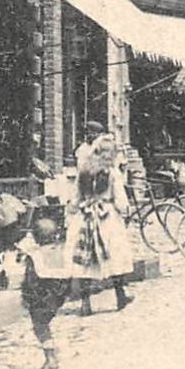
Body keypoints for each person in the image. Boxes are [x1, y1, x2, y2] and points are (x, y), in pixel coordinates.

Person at [66, 131, 136, 315]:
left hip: (86, 216)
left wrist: (73, 211)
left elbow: (75, 199)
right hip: (107, 216)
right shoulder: (112, 173)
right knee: (115, 255)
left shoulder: (83, 171)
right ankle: (121, 296)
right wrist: (125, 210)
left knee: (85, 259)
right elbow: (120, 200)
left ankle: (85, 303)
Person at [18, 207, 71, 369]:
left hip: (40, 296)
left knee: (40, 327)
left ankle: (50, 358)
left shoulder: (35, 256)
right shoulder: (60, 253)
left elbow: (31, 279)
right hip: (58, 296)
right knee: (45, 323)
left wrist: (27, 296)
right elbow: (68, 275)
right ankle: (52, 354)